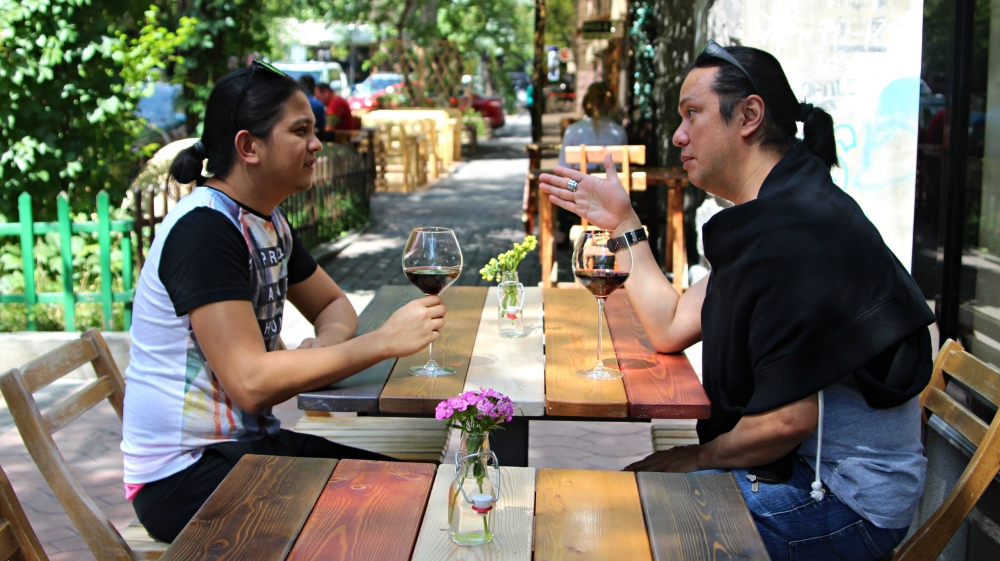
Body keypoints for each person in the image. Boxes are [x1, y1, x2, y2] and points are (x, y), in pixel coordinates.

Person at [540, 42, 935, 561]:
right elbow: (672, 324)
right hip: (801, 470)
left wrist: (694, 457)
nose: (678, 135)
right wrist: (624, 225)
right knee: (604, 504)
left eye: (692, 114)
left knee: (605, 530)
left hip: (842, 503)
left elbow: (784, 423)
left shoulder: (800, 233)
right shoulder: (772, 216)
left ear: (748, 115)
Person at [121, 60, 446, 542]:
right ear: (248, 146)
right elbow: (251, 383)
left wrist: (325, 345)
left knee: (422, 492)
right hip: (185, 479)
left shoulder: (265, 221)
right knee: (396, 516)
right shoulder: (206, 232)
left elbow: (334, 306)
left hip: (247, 448)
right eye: (301, 131)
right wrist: (381, 343)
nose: (317, 145)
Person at [554, 81, 627, 245]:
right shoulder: (618, 132)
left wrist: (576, 186)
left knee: (563, 188)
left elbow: (563, 169)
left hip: (580, 199)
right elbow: (621, 169)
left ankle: (562, 232)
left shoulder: (573, 130)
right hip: (609, 200)